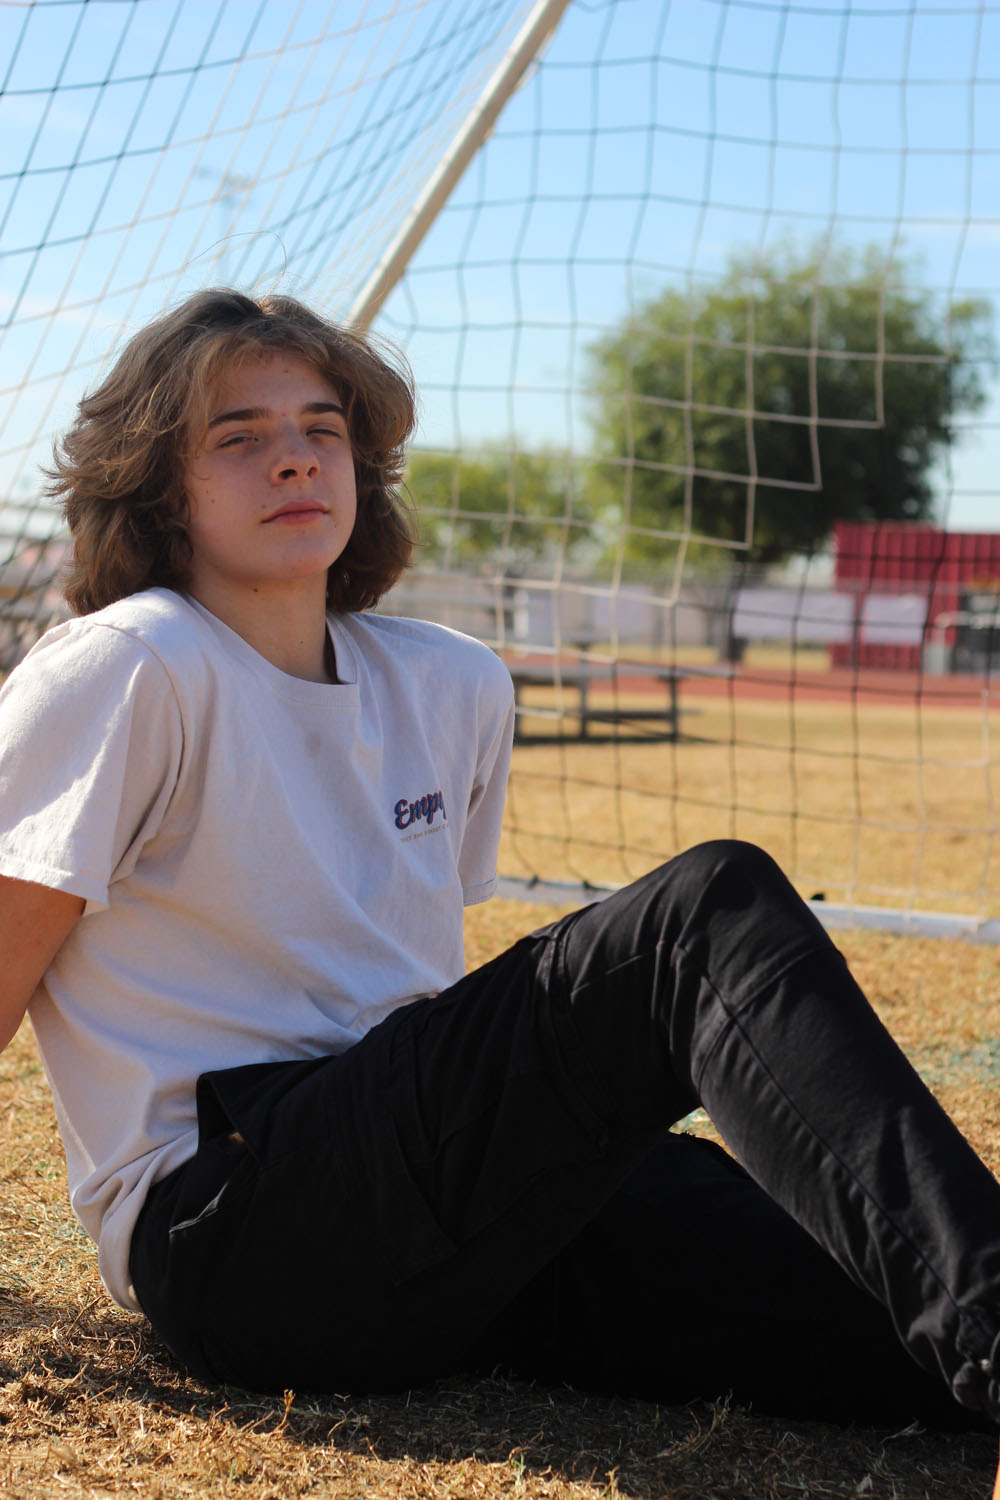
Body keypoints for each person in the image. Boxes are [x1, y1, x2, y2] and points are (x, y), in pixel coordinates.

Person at [0, 288, 997, 1445]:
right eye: (238, 436)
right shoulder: (130, 665)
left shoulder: (450, 681)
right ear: (159, 485)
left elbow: (403, 994)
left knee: (880, 1295)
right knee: (696, 919)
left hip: (441, 1205)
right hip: (242, 1230)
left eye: (322, 430)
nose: (293, 461)